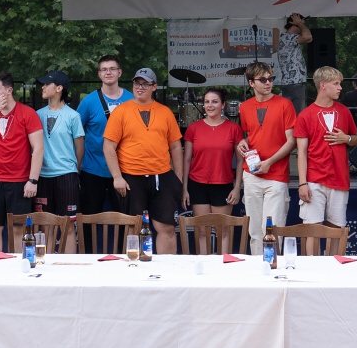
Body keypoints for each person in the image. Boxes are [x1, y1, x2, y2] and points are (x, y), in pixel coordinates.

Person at [103, 68, 185, 254]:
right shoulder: (121, 111)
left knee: (166, 227)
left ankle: (167, 269)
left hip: (161, 175)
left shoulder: (165, 112)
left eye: (145, 84)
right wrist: (117, 177)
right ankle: (134, 268)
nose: (140, 87)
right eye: (137, 83)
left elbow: (175, 147)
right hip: (131, 176)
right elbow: (108, 146)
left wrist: (178, 178)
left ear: (154, 87)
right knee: (133, 227)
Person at [0, 73, 43, 253]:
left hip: (19, 180)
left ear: (9, 90)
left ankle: (20, 267)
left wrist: (33, 180)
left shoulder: (27, 113)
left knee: (19, 229)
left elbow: (38, 148)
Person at [236, 60, 298, 255]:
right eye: (262, 79)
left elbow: (292, 140)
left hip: (276, 174)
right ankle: (258, 270)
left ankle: (272, 267)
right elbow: (252, 135)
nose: (268, 82)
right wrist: (243, 142)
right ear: (251, 83)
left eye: (270, 78)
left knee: (272, 230)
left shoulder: (285, 104)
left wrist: (269, 162)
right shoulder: (245, 107)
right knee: (254, 231)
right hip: (252, 172)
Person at [293, 67, 357, 228]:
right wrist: (302, 184)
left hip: (339, 177)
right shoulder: (305, 115)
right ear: (322, 85)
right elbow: (301, 153)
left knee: (336, 229)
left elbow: (356, 138)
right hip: (314, 178)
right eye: (336, 84)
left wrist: (347, 138)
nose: (340, 88)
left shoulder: (344, 111)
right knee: (312, 228)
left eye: (340, 83)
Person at [75, 55, 132, 214]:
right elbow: (76, 132)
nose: (108, 72)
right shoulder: (88, 102)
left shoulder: (132, 100)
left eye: (112, 69)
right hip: (93, 169)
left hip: (125, 168)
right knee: (89, 218)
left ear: (119, 72)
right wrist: (77, 163)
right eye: (104, 69)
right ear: (99, 74)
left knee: (125, 219)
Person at [182, 90, 244, 216]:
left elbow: (240, 160)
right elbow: (186, 160)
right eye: (207, 102)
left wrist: (237, 187)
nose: (210, 105)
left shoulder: (234, 128)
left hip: (223, 183)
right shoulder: (193, 128)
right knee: (202, 227)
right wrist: (184, 189)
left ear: (223, 105)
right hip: (197, 184)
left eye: (215, 102)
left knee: (222, 227)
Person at [36, 71, 84, 218]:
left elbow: (80, 148)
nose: (43, 87)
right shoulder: (37, 114)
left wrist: (74, 169)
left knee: (68, 222)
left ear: (59, 88)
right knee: (44, 222)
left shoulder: (73, 116)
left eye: (47, 84)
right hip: (42, 175)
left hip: (66, 174)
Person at [276, 12, 313, 111]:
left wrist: (300, 23)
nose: (303, 26)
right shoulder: (288, 37)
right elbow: (308, 37)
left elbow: (309, 39)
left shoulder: (290, 38)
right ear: (294, 24)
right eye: (301, 24)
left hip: (294, 83)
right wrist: (300, 23)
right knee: (298, 114)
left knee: (294, 113)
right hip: (294, 83)